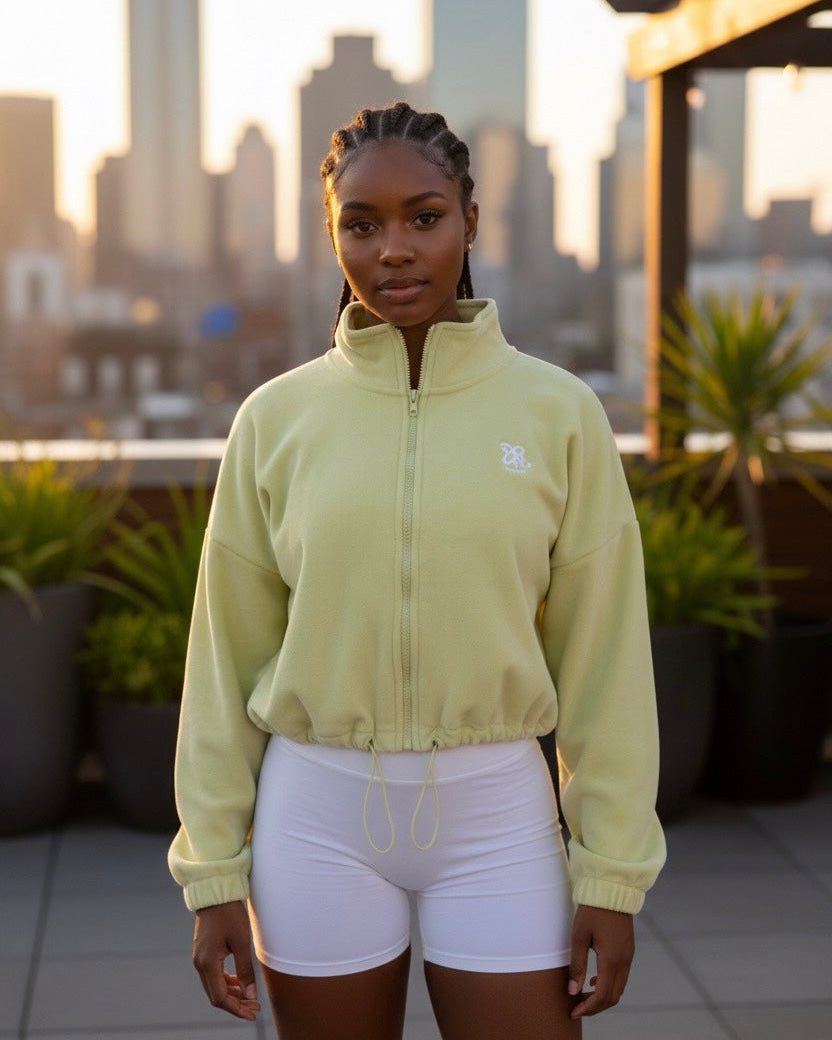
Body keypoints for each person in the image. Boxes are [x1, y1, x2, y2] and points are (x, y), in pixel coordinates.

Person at [168, 101, 666, 1040]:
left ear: (470, 223)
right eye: (362, 223)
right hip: (314, 816)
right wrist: (213, 876)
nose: (392, 248)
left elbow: (605, 660)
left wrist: (613, 872)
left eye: (423, 217)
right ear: (332, 233)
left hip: (499, 818)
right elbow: (223, 660)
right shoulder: (275, 422)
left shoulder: (557, 415)